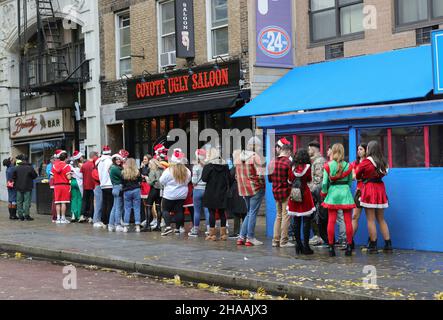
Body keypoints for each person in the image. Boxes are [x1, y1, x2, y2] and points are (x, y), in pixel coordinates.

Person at [356, 141, 392, 254]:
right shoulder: (383, 162)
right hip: (380, 189)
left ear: (369, 149)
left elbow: (357, 174)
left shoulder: (367, 162)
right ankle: (388, 244)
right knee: (381, 219)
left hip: (369, 189)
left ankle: (373, 245)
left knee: (370, 219)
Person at [321, 144, 355, 257]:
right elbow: (350, 182)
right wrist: (344, 188)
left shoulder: (328, 165)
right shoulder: (348, 166)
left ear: (333, 152)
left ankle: (331, 248)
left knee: (331, 221)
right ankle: (349, 247)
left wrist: (324, 192)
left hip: (333, 193)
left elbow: (325, 182)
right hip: (345, 193)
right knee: (348, 221)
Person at [234, 137, 266, 247]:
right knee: (252, 213)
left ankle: (241, 237)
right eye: (259, 146)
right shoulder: (255, 157)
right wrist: (262, 184)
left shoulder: (238, 157)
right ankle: (250, 237)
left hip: (243, 189)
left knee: (249, 213)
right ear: (255, 146)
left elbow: (236, 175)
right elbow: (260, 174)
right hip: (255, 188)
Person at [288, 149, 316, 255]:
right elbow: (309, 179)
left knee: (296, 220)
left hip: (295, 194)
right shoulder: (308, 167)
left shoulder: (292, 167)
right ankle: (306, 247)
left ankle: (298, 245)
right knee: (306, 221)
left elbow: (290, 180)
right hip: (305, 194)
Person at [268, 138, 294, 248]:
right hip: (286, 192)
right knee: (285, 216)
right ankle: (284, 241)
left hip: (276, 192)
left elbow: (269, 179)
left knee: (278, 216)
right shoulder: (289, 163)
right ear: (288, 151)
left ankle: (275, 240)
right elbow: (291, 179)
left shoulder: (271, 163)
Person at [159, 149, 191, 236]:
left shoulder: (169, 170)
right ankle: (177, 229)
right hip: (182, 194)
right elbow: (188, 181)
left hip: (169, 194)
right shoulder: (187, 170)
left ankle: (168, 227)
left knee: (165, 209)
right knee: (179, 211)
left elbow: (161, 181)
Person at [201, 150, 231, 241]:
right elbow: (229, 178)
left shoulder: (208, 166)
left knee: (212, 213)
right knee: (222, 213)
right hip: (222, 192)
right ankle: (223, 234)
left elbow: (204, 179)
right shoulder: (225, 166)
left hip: (211, 192)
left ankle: (212, 235)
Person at [307, 141, 327, 247]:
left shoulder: (319, 161)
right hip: (315, 193)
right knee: (314, 215)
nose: (308, 151)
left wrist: (311, 190)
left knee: (317, 215)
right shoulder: (315, 161)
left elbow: (318, 179)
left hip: (317, 194)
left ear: (313, 149)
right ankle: (317, 236)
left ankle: (319, 237)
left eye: (309, 149)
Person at [189, 149, 210, 237]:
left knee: (197, 211)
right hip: (207, 190)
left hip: (197, 190)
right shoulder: (208, 166)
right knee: (207, 210)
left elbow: (193, 181)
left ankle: (195, 230)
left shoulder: (196, 167)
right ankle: (209, 229)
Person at [351, 143, 367, 247]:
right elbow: (353, 177)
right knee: (354, 216)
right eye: (358, 149)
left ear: (366, 150)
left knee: (371, 218)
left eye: (361, 149)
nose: (358, 151)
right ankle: (350, 241)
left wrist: (359, 176)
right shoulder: (355, 163)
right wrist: (360, 176)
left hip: (369, 192)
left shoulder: (369, 162)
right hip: (359, 191)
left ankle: (372, 241)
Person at [141, 158, 164, 232]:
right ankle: (158, 225)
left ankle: (147, 226)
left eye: (150, 164)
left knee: (148, 206)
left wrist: (147, 178)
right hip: (160, 190)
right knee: (158, 207)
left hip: (153, 189)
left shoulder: (152, 171)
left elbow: (150, 183)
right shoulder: (162, 170)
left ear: (153, 164)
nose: (149, 165)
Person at [13, 155, 37, 222]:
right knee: (27, 202)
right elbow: (35, 176)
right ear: (27, 160)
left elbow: (13, 177)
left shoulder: (17, 168)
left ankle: (20, 216)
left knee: (19, 201)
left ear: (21, 160)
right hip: (27, 187)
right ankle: (26, 215)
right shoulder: (30, 168)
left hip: (18, 187)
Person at [122, 158, 142, 233]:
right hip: (136, 190)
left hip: (127, 191)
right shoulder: (137, 172)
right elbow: (140, 181)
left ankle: (126, 226)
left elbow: (122, 182)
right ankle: (137, 226)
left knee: (127, 208)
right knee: (137, 208)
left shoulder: (124, 172)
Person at [51, 150, 72, 224]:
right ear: (65, 158)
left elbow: (52, 176)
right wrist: (71, 175)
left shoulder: (54, 166)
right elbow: (69, 177)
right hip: (64, 185)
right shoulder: (67, 166)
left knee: (57, 202)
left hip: (56, 186)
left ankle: (58, 218)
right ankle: (63, 218)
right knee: (63, 202)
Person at [227, 165, 247, 238]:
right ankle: (245, 232)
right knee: (245, 212)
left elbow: (229, 179)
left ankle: (237, 232)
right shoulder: (247, 167)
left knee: (236, 213)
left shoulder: (234, 168)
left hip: (236, 190)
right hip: (245, 189)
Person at [108, 151, 125, 232]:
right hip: (118, 188)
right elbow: (124, 176)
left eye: (119, 159)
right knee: (118, 208)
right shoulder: (116, 168)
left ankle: (111, 225)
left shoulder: (112, 168)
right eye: (117, 159)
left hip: (115, 188)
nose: (118, 160)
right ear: (114, 160)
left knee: (114, 207)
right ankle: (117, 224)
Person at [97, 146, 113, 226]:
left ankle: (104, 220)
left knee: (105, 203)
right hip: (109, 184)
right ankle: (109, 219)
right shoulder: (110, 161)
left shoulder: (100, 162)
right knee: (110, 203)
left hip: (102, 184)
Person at [80, 152, 99, 223]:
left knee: (84, 201)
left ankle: (82, 215)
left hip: (85, 186)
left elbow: (81, 175)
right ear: (94, 156)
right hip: (93, 186)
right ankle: (91, 217)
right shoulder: (95, 164)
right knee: (92, 202)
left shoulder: (84, 165)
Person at [69, 151, 83, 222]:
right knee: (79, 199)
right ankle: (79, 215)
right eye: (81, 157)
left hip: (72, 182)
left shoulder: (70, 165)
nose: (82, 158)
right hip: (79, 183)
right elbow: (81, 176)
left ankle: (73, 215)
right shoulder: (80, 165)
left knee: (73, 199)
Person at [140, 154, 152, 227]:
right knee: (145, 204)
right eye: (143, 159)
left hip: (148, 185)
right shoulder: (143, 167)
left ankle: (153, 219)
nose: (143, 160)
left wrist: (145, 176)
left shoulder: (150, 167)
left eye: (145, 159)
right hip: (143, 186)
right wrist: (141, 168)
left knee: (150, 204)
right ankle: (147, 219)